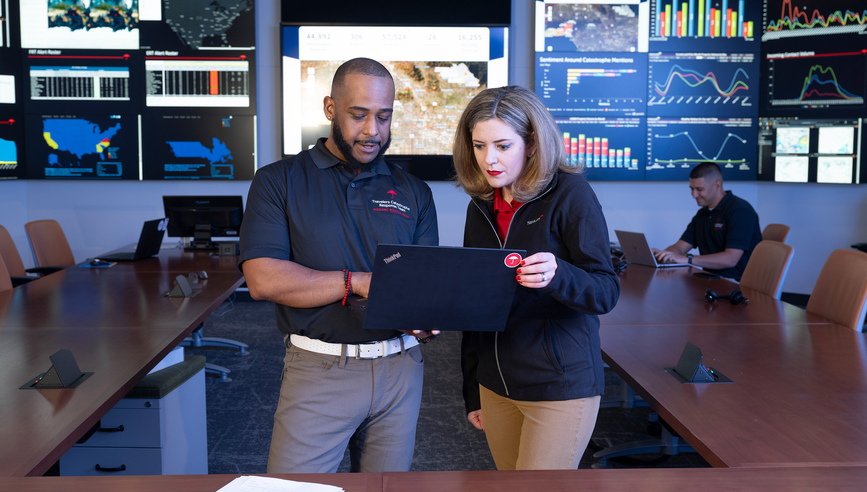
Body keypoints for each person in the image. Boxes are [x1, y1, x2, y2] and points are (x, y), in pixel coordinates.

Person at [239, 58, 439, 474]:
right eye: (358, 115)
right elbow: (263, 279)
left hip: (401, 371)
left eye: (383, 117)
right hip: (320, 369)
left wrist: (426, 314)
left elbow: (421, 283)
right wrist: (360, 282)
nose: (372, 131)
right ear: (330, 109)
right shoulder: (278, 181)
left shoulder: (414, 191)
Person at [452, 85, 620, 470]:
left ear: (531, 144)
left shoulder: (571, 194)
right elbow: (473, 307)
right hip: (496, 386)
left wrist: (558, 275)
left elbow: (606, 291)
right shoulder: (479, 207)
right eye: (479, 146)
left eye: (502, 146)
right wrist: (472, 389)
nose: (488, 159)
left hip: (558, 387)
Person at [652, 161, 761, 280]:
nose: (694, 195)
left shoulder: (740, 211)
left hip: (736, 285)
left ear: (717, 186)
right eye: (692, 189)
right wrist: (664, 255)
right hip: (710, 279)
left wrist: (687, 259)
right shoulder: (703, 214)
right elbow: (679, 247)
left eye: (699, 189)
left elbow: (731, 259)